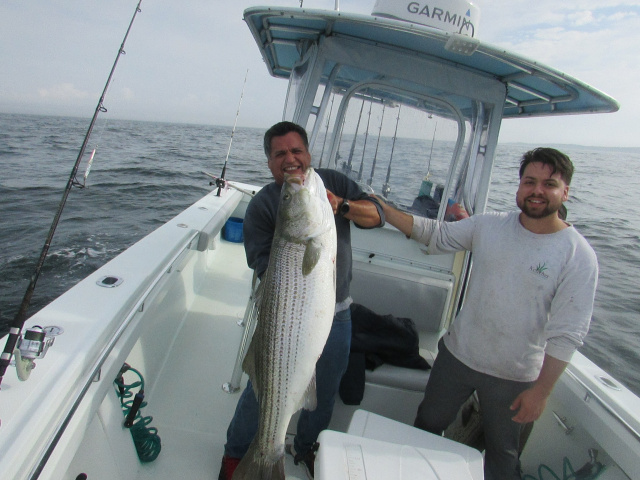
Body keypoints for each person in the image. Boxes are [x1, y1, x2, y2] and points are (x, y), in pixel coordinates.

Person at [378, 147, 597, 479]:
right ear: (519, 186)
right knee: (426, 425)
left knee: (503, 454)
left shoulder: (578, 255)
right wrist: (383, 209)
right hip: (458, 357)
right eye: (529, 181)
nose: (537, 191)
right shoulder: (490, 225)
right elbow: (435, 233)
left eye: (549, 184)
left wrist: (540, 393)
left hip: (516, 377)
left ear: (565, 191)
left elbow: (567, 334)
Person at [218, 121, 384, 480]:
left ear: (308, 154)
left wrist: (340, 207)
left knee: (323, 391)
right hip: (285, 316)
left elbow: (376, 216)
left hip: (337, 313)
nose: (290, 160)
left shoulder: (331, 184)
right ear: (269, 163)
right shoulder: (263, 205)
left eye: (297, 151)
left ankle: (306, 447)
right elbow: (264, 266)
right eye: (280, 154)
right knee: (263, 386)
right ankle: (237, 455)